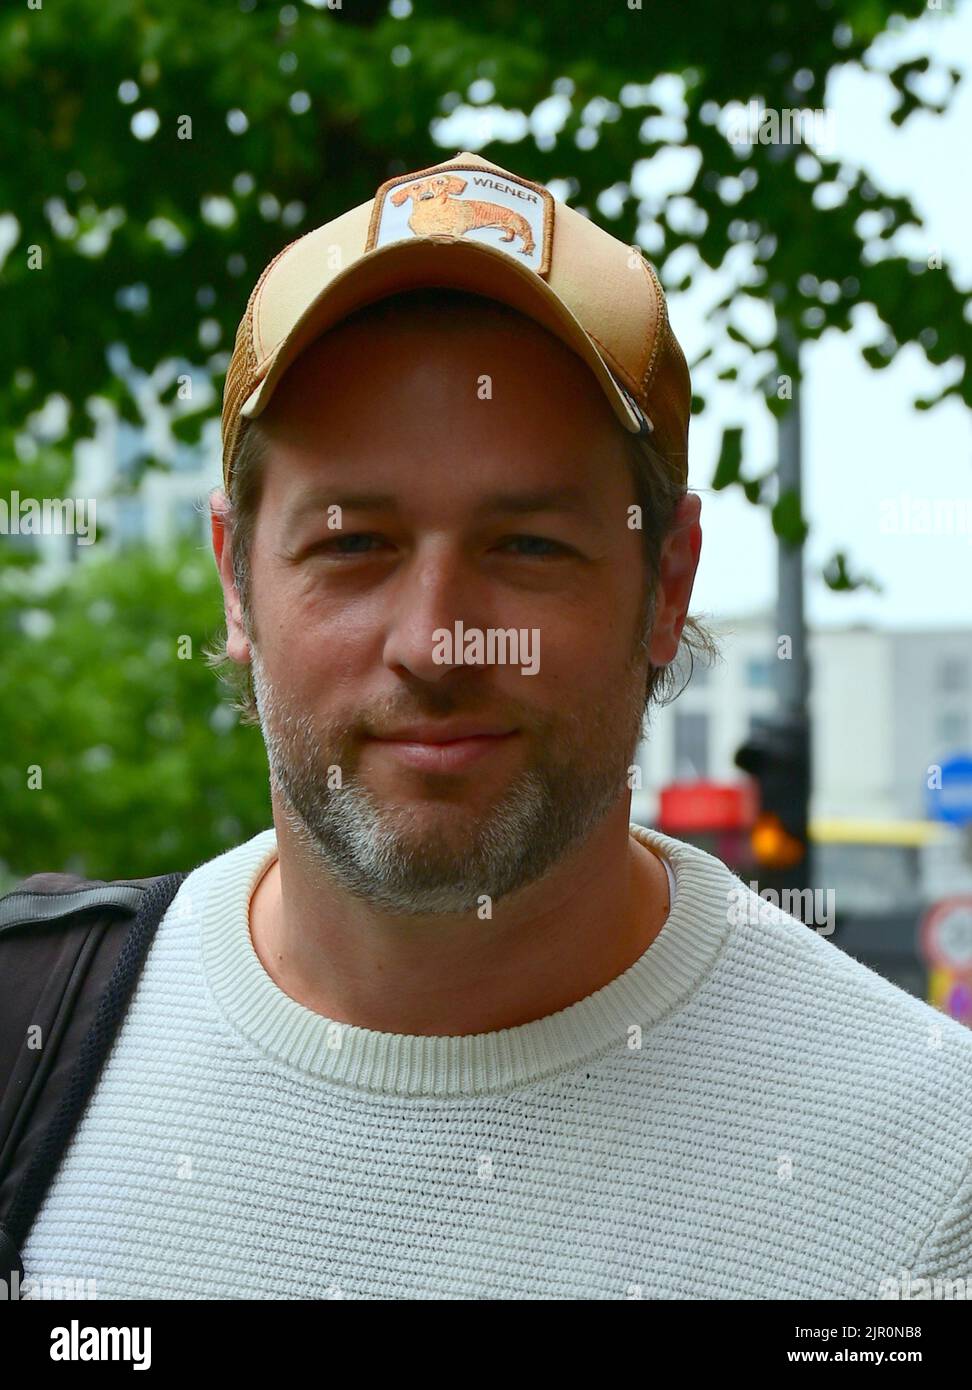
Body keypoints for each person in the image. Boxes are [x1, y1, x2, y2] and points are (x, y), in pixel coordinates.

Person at [20, 151, 972, 1300]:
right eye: (352, 542)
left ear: (667, 588)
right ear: (234, 579)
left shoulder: (931, 1169)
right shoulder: (30, 1044)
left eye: (527, 546)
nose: (437, 641)